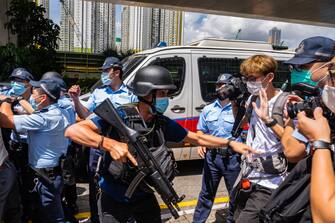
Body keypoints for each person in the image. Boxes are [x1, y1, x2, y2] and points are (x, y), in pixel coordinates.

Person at [65, 65, 254, 223]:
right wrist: (110, 144)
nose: (166, 98)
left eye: (166, 93)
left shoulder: (160, 122)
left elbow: (196, 138)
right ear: (146, 94)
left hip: (143, 195)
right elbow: (73, 131)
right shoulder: (121, 115)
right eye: (161, 93)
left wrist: (229, 143)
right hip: (113, 198)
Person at [68, 57, 137, 223]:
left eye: (106, 71)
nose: (103, 74)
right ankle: (96, 217)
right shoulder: (98, 93)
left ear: (117, 72)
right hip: (97, 147)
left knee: (122, 183)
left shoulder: (131, 95)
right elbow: (84, 115)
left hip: (120, 147)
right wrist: (76, 100)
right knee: (96, 185)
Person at [0, 79, 70, 222]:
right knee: (45, 214)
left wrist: (7, 100)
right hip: (51, 174)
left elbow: (5, 121)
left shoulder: (45, 118)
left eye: (34, 92)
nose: (31, 93)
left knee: (54, 218)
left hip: (47, 177)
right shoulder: (57, 111)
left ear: (43, 97)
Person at [283, 36, 335, 222]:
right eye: (294, 67)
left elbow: (326, 216)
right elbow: (292, 151)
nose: (296, 72)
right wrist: (290, 120)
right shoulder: (321, 110)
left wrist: (321, 141)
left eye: (303, 66)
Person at [233, 55, 289, 223]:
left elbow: (293, 144)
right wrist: (236, 105)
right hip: (248, 175)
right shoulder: (253, 98)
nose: (249, 83)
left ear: (269, 77)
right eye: (246, 79)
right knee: (235, 217)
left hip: (271, 181)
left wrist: (268, 119)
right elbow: (246, 125)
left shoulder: (285, 103)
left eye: (252, 78)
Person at [193, 73, 241, 223]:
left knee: (235, 195)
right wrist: (201, 143)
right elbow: (201, 130)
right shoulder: (208, 109)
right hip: (212, 158)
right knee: (206, 194)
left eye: (223, 85)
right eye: (218, 85)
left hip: (233, 159)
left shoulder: (239, 110)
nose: (220, 88)